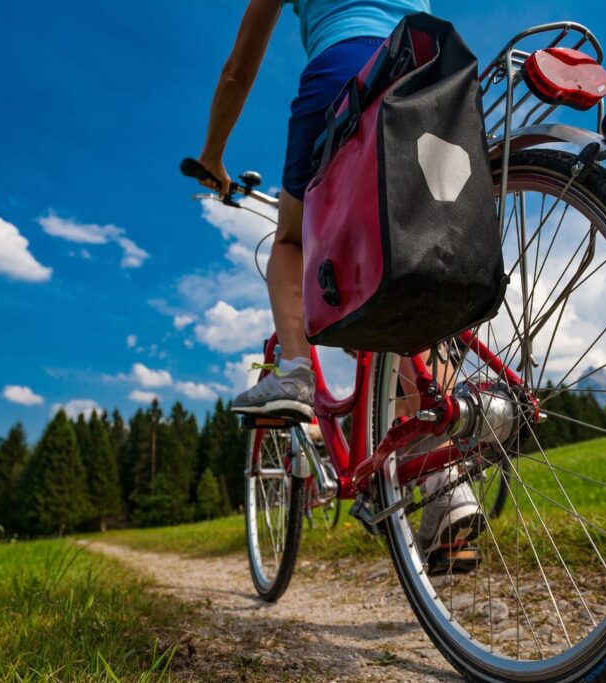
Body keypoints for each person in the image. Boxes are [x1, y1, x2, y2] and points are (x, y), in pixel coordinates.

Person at [193, 0, 483, 564]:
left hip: (346, 70)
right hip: (428, 68)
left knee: (291, 242)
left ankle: (295, 373)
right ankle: (446, 490)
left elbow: (237, 71)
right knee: (410, 263)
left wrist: (212, 156)